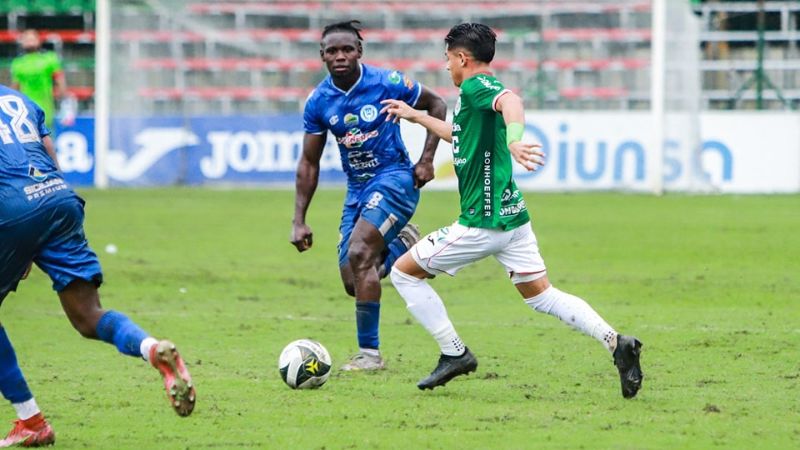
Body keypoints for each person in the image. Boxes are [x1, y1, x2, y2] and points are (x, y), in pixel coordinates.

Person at [381, 23, 644, 397]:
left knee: (403, 273)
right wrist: (417, 115)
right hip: (512, 217)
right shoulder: (473, 98)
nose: (447, 68)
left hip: (481, 222)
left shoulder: (476, 86)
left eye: (447, 60)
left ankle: (454, 353)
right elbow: (461, 135)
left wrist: (516, 139)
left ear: (462, 58)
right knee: (541, 295)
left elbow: (512, 101)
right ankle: (616, 343)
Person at [0, 84, 195, 447]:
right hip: (57, 197)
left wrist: (16, 234)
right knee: (88, 315)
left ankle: (32, 421)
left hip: (9, 207)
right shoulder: (18, 98)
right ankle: (152, 348)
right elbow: (47, 153)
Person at [291, 20, 447, 371]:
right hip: (357, 188)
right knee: (354, 278)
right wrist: (299, 220)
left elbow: (437, 105)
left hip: (395, 178)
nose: (340, 56)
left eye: (347, 49)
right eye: (332, 51)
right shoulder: (318, 102)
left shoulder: (386, 82)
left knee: (361, 253)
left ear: (359, 52)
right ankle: (403, 245)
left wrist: (426, 160)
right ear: (322, 56)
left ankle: (370, 356)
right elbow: (309, 163)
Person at [10, 29, 75, 131]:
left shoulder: (50, 59)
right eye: (26, 39)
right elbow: (15, 88)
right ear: (22, 43)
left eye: (32, 38)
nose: (29, 41)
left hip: (46, 108)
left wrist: (64, 101)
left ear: (39, 40)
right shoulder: (17, 63)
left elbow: (60, 81)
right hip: (25, 110)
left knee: (46, 140)